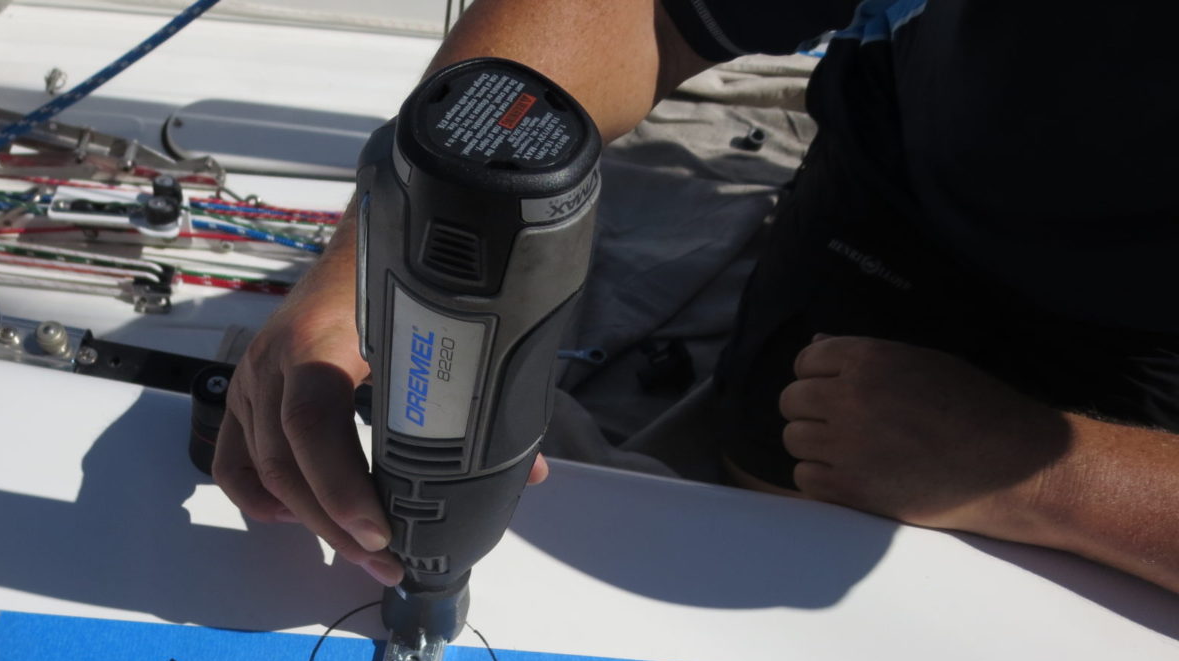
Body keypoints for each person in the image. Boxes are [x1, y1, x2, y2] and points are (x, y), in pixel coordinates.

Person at [212, 0, 1179, 595]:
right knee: (778, 480)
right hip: (901, 195)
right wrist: (383, 249)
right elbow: (636, 9)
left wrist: (1049, 479)